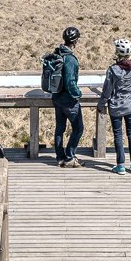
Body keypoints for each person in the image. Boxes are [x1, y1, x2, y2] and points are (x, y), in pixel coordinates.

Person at [99, 38, 131, 175]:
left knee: (118, 135)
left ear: (117, 53)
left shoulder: (113, 70)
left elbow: (107, 90)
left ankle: (120, 165)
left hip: (116, 107)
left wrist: (101, 104)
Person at [51, 27, 84, 168]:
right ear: (75, 41)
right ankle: (70, 157)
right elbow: (70, 82)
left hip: (57, 97)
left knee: (60, 128)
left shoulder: (57, 52)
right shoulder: (70, 59)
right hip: (68, 101)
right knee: (78, 128)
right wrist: (78, 94)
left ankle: (60, 157)